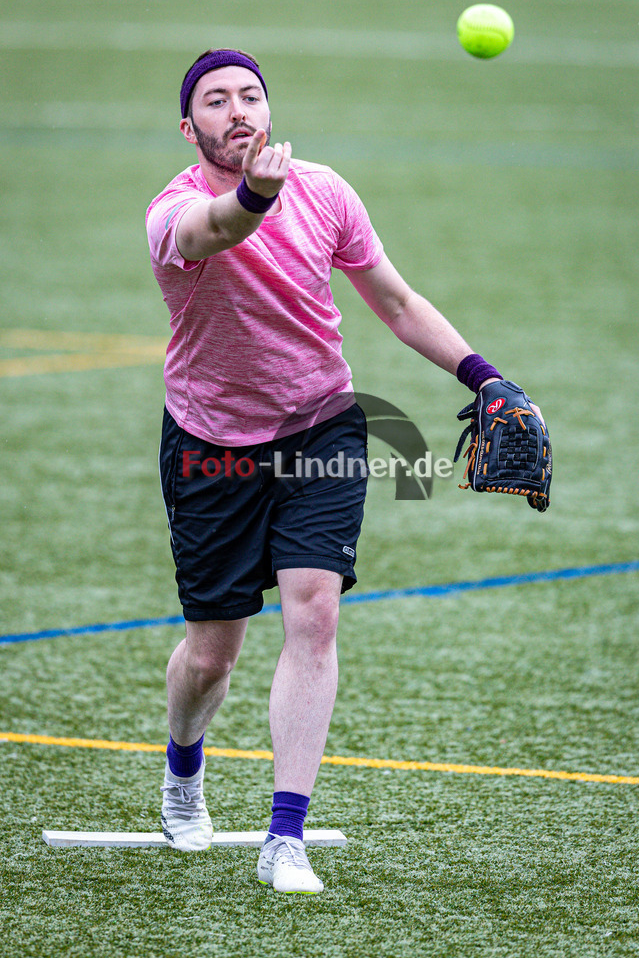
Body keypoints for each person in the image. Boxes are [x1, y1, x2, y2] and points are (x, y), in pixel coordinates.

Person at [146, 48, 541, 894]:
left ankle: (284, 836)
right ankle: (183, 771)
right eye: (215, 101)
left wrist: (484, 377)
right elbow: (218, 231)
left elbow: (394, 301)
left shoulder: (325, 191)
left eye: (250, 95)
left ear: (269, 110)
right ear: (188, 128)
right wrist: (255, 195)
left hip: (320, 427)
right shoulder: (172, 212)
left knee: (314, 613)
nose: (237, 110)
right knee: (212, 656)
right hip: (211, 444)